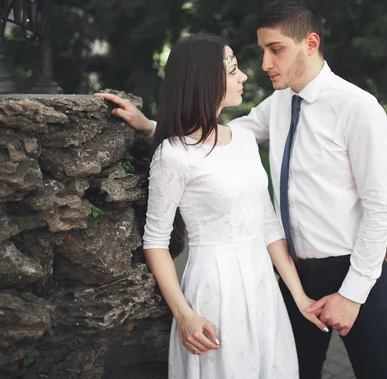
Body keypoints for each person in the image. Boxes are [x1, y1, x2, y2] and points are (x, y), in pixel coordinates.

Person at [97, 0, 387, 379]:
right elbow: (213, 143)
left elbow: (380, 210)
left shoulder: (358, 108)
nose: (264, 64)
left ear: (310, 43)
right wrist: (151, 127)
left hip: (356, 272)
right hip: (292, 277)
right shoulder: (277, 105)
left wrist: (353, 292)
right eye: (261, 51)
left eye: (276, 50)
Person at [99, 34, 327, 379]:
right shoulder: (173, 155)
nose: (244, 77)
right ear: (204, 78)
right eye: (233, 69)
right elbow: (156, 241)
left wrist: (298, 296)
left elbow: (267, 224)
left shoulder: (245, 140)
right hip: (215, 290)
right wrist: (184, 315)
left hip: (264, 285)